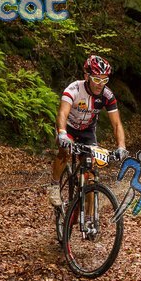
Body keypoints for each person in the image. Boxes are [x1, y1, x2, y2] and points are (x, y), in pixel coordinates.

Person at [47, 54, 127, 206]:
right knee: (65, 150)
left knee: (90, 173)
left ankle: (90, 220)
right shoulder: (74, 89)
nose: (100, 84)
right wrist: (62, 134)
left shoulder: (107, 95)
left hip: (87, 131)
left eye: (104, 80)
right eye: (97, 79)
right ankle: (54, 185)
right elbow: (62, 112)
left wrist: (121, 147)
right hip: (68, 127)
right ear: (87, 76)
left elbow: (117, 124)